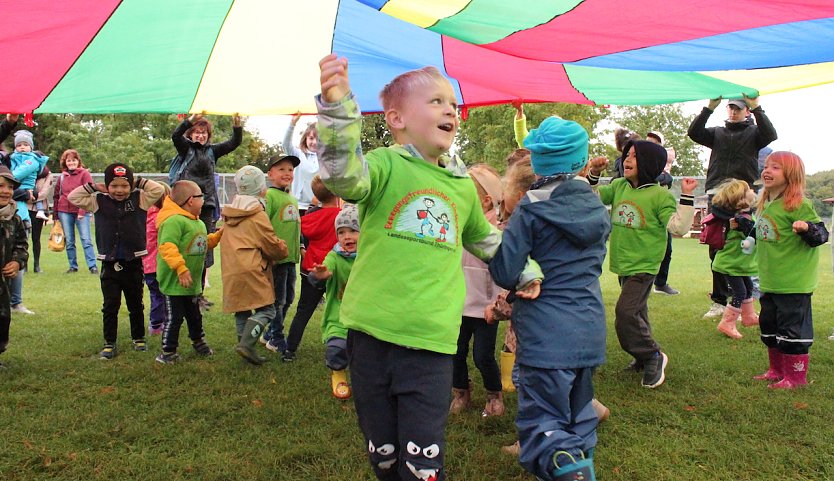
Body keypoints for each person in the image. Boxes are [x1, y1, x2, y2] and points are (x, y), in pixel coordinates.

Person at [317, 54, 541, 481]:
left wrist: (525, 271)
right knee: (382, 454)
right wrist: (337, 108)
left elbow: (487, 239)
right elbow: (343, 177)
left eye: (453, 104)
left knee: (422, 464)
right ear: (396, 118)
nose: (450, 110)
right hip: (371, 336)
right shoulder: (384, 165)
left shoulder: (460, 187)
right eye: (436, 101)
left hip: (432, 342)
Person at [489, 116, 610, 481]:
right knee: (578, 414)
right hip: (588, 327)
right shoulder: (596, 208)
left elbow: (507, 270)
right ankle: (574, 463)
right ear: (582, 161)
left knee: (543, 417)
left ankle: (569, 472)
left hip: (546, 331)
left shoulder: (530, 209)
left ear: (538, 161)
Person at [587, 141, 696, 388]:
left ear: (649, 163)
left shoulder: (660, 196)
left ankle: (652, 355)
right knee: (637, 313)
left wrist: (687, 196)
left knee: (625, 313)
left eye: (635, 156)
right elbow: (591, 198)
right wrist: (594, 173)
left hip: (644, 266)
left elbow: (678, 227)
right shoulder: (618, 187)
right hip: (624, 262)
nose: (627, 159)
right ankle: (641, 358)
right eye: (627, 154)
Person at [688, 95, 777, 319]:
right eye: (731, 108)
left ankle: (745, 302)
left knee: (745, 243)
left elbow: (770, 134)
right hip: (717, 195)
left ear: (746, 111)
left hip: (743, 198)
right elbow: (694, 132)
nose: (734, 112)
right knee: (717, 245)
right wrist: (709, 108)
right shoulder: (717, 133)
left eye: (738, 108)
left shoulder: (754, 133)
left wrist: (757, 107)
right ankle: (719, 301)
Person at [68, 163, 165, 359]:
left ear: (130, 186)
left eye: (124, 186)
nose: (119, 190)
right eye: (114, 186)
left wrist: (137, 182)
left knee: (135, 303)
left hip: (133, 262)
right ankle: (109, 342)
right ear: (106, 186)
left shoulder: (141, 199)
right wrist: (94, 187)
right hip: (109, 263)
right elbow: (73, 197)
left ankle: (138, 338)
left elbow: (159, 189)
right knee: (110, 305)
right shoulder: (98, 202)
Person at [752, 151, 827, 389]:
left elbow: (821, 235)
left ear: (791, 174)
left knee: (793, 332)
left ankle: (795, 378)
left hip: (793, 282)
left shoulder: (799, 204)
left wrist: (807, 228)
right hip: (770, 280)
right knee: (770, 328)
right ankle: (776, 370)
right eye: (766, 166)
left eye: (776, 167)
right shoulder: (766, 204)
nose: (767, 171)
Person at [450, 164, 505, 417]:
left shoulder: (497, 230)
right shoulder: (454, 222)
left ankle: (494, 395)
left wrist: (498, 302)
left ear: (485, 201)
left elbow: (504, 266)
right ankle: (461, 392)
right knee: (455, 352)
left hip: (486, 306)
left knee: (483, 355)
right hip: (458, 304)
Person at [171, 113, 242, 307]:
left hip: (207, 205)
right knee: (184, 247)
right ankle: (178, 291)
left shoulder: (212, 151)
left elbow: (234, 143)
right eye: (196, 132)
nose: (200, 136)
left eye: (203, 133)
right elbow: (175, 136)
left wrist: (237, 126)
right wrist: (189, 121)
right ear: (191, 135)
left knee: (201, 250)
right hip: (185, 205)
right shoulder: (186, 149)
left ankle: (198, 294)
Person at [220, 166, 288, 365]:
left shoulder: (230, 212)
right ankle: (247, 344)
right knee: (268, 309)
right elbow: (270, 243)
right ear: (261, 190)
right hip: (251, 268)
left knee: (242, 309)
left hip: (231, 269)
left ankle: (245, 349)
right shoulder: (257, 214)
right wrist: (283, 249)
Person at [154, 180, 223, 364]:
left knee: (194, 315)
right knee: (174, 318)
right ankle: (167, 352)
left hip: (191, 284)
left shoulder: (197, 222)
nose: (205, 200)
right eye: (202, 196)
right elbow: (167, 247)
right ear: (191, 200)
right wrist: (181, 268)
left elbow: (201, 243)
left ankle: (198, 342)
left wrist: (218, 236)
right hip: (175, 283)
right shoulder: (173, 221)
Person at [284, 175, 341, 359]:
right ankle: (343, 346)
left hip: (310, 268)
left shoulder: (309, 217)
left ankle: (289, 350)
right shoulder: (341, 216)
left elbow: (306, 239)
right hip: (335, 269)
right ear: (337, 192)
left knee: (304, 310)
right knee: (342, 308)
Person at [307, 204, 360, 399]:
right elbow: (326, 268)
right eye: (341, 232)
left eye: (353, 231)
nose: (347, 236)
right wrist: (322, 274)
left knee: (365, 355)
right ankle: (338, 374)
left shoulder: (369, 256)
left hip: (364, 317)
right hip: (338, 316)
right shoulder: (335, 256)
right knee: (337, 348)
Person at [259, 154, 302, 359]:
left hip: (290, 259)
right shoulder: (269, 197)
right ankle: (276, 337)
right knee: (278, 300)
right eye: (282, 169)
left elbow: (295, 227)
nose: (287, 173)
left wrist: (300, 246)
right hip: (276, 259)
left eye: (290, 170)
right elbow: (263, 227)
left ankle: (268, 334)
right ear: (270, 174)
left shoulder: (291, 198)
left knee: (288, 298)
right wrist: (270, 251)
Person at [708, 179, 759, 339]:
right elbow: (755, 234)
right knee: (739, 292)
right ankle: (727, 323)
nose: (752, 190)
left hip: (738, 263)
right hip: (731, 263)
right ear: (741, 198)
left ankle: (749, 316)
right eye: (748, 189)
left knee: (748, 286)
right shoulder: (740, 219)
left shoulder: (742, 216)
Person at [7, 130, 47, 314]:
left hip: (20, 214)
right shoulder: (10, 158)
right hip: (7, 209)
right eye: (19, 144)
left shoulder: (31, 160)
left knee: (17, 257)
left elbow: (13, 177)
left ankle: (16, 302)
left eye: (25, 144)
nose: (22, 147)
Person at [0, 166, 29, 369]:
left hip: (3, 283)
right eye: (1, 186)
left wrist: (17, 261)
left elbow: (22, 245)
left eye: (10, 187)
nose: (6, 191)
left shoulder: (15, 218)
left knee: (2, 319)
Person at [52, 149, 98, 274]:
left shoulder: (84, 174)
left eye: (73, 160)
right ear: (65, 162)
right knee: (70, 240)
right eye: (69, 161)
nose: (71, 163)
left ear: (78, 161)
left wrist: (82, 211)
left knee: (86, 239)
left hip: (81, 211)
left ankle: (92, 266)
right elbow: (56, 195)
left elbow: (89, 192)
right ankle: (73, 266)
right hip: (64, 211)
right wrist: (55, 215)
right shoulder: (62, 176)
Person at [645, 132, 679, 296]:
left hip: (660, 210)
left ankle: (660, 283)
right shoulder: (636, 158)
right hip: (644, 210)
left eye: (656, 141)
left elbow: (667, 179)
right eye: (650, 140)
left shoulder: (663, 164)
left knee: (667, 248)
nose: (652, 143)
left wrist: (663, 176)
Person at [143, 183, 171, 336]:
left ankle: (156, 324)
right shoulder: (163, 218)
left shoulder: (144, 216)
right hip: (161, 264)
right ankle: (159, 324)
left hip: (146, 265)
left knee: (155, 295)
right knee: (164, 296)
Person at [284, 112, 320, 214]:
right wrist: (292, 124)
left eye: (318, 139)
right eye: (311, 138)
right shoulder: (298, 154)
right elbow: (286, 145)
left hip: (317, 206)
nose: (314, 142)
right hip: (298, 205)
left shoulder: (325, 158)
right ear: (305, 139)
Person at [26, 165, 52, 273]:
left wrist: (29, 197)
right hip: (25, 208)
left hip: (39, 211)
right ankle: (23, 266)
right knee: (23, 238)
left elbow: (45, 193)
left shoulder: (47, 175)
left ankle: (36, 265)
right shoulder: (26, 172)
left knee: (36, 238)